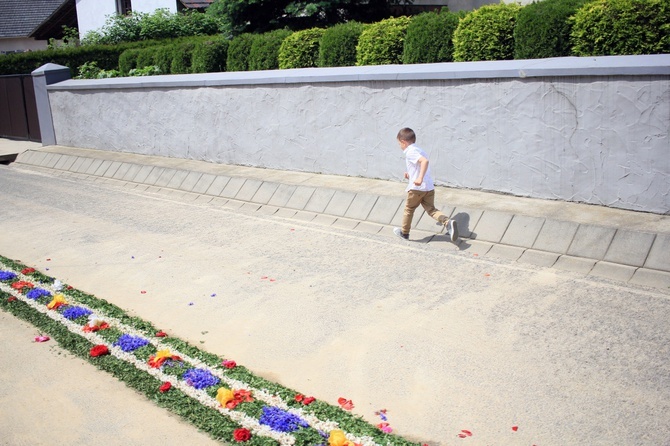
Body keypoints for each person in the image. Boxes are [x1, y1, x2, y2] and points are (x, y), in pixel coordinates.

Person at [393, 127, 458, 242]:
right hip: (428, 187)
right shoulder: (419, 149)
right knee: (431, 210)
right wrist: (411, 175)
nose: (400, 146)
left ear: (403, 142)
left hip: (417, 188)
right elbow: (420, 165)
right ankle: (448, 222)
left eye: (399, 144)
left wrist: (419, 178)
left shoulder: (410, 151)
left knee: (409, 209)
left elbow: (424, 162)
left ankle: (404, 233)